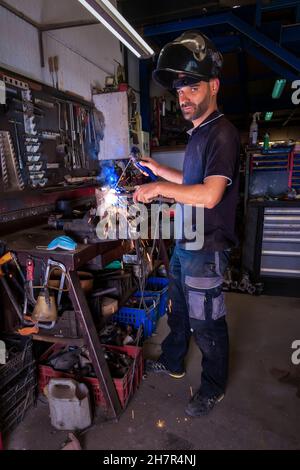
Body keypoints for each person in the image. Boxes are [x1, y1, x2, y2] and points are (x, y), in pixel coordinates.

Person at [133, 31, 240, 417]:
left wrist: (159, 188)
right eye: (179, 92)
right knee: (178, 309)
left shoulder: (223, 134)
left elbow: (210, 194)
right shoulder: (199, 134)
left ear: (213, 86)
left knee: (206, 321)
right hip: (187, 240)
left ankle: (213, 387)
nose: (183, 98)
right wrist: (158, 171)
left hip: (207, 246)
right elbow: (192, 181)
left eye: (192, 88)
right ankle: (175, 360)